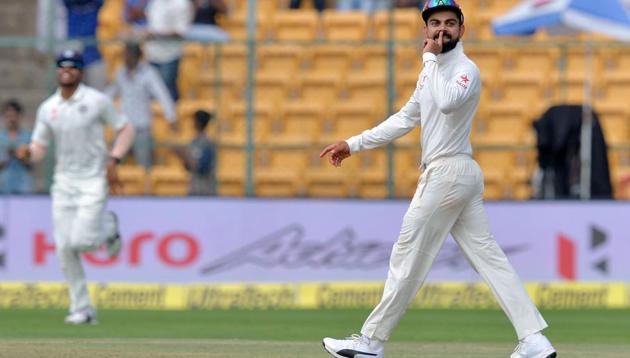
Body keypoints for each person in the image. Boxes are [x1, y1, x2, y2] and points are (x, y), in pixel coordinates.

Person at [319, 1, 557, 358]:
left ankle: (370, 343)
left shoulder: (465, 69)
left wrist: (429, 61)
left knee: (407, 254)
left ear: (462, 30)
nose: (441, 29)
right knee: (489, 258)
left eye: (449, 23)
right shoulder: (430, 72)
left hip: (448, 172)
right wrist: (354, 144)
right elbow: (404, 118)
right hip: (456, 175)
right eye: (434, 24)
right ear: (425, 30)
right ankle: (534, 340)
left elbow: (446, 103)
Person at [17, 49, 135, 325]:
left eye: (72, 66)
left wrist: (114, 158)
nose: (66, 70)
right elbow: (39, 148)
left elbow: (125, 128)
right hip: (64, 183)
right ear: (57, 71)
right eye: (62, 66)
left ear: (80, 72)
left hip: (93, 179)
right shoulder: (48, 108)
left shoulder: (96, 101)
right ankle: (82, 308)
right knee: (64, 249)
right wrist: (27, 154)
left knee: (81, 241)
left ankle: (109, 228)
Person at [106, 42, 176, 170]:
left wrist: (170, 116)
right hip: (123, 127)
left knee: (144, 166)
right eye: (125, 55)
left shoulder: (148, 73)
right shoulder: (120, 73)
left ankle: (146, 190)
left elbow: (162, 94)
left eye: (129, 55)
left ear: (137, 56)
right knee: (114, 164)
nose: (126, 58)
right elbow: (110, 93)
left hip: (141, 128)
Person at [144, 0, 194, 101]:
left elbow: (181, 32)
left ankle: (172, 116)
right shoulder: (155, 2)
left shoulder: (181, 3)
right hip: (152, 53)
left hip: (170, 55)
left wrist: (156, 34)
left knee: (167, 91)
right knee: (152, 92)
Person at [63, 0, 107, 90]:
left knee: (97, 91)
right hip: (73, 44)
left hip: (93, 49)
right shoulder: (70, 4)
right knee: (71, 88)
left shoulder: (96, 4)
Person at [174, 110, 216, 195]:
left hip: (205, 191)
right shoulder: (193, 142)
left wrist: (184, 155)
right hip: (193, 188)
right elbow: (188, 167)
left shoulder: (207, 143)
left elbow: (202, 167)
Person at [0, 100, 34, 194]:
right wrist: (7, 156)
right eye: (8, 116)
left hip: (23, 186)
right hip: (3, 187)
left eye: (14, 116)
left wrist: (20, 155)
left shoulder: (28, 137)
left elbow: (31, 165)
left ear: (19, 116)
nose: (12, 119)